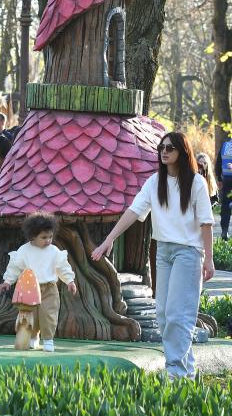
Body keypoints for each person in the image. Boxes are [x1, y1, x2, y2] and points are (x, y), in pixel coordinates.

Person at [91, 131, 215, 380]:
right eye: (162, 147)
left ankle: (175, 371)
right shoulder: (154, 182)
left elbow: (206, 223)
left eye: (170, 147)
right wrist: (109, 239)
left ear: (182, 151)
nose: (164, 151)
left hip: (188, 253)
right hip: (163, 253)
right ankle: (186, 371)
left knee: (179, 314)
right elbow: (133, 212)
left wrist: (209, 258)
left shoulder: (196, 183)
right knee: (163, 314)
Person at [0, 213, 77, 352]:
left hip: (49, 288)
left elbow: (62, 266)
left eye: (50, 237)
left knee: (49, 314)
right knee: (30, 314)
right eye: (44, 237)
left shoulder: (54, 251)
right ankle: (33, 337)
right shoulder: (24, 250)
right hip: (30, 288)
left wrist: (69, 280)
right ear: (32, 236)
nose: (48, 240)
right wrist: (7, 281)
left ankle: (48, 339)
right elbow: (15, 267)